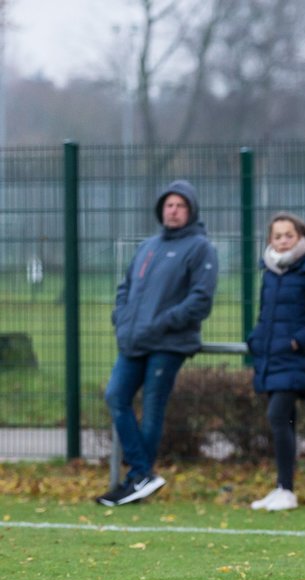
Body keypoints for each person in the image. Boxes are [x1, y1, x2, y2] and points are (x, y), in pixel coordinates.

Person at [96, 180, 218, 507]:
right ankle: (141, 474)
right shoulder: (147, 246)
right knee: (116, 396)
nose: (173, 211)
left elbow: (200, 300)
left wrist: (163, 323)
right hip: (133, 340)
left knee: (152, 411)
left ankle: (138, 478)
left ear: (191, 210)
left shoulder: (200, 247)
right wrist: (121, 319)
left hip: (169, 344)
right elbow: (125, 288)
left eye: (180, 205)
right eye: (169, 205)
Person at [247, 213, 305, 511]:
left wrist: (298, 342)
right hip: (271, 359)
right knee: (285, 421)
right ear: (270, 240)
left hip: (295, 360)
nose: (283, 241)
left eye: (289, 235)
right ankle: (284, 487)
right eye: (277, 236)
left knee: (278, 416)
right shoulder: (270, 272)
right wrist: (256, 339)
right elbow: (264, 316)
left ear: (301, 237)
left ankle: (287, 490)